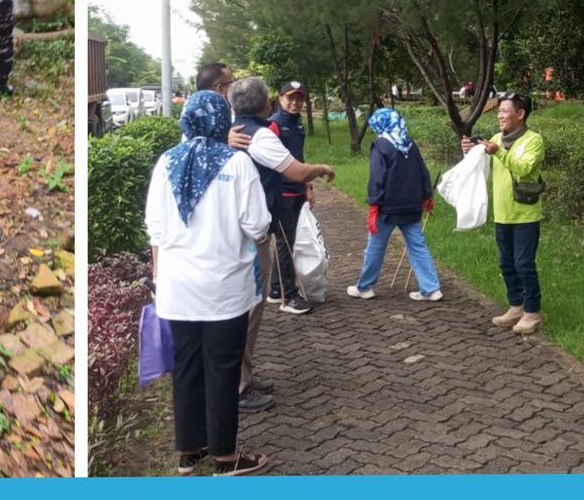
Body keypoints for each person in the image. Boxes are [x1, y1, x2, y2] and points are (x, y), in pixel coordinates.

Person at [145, 91, 270, 476]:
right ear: (222, 121)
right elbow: (258, 225)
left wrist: (157, 276)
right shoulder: (238, 163)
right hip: (224, 289)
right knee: (223, 368)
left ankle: (188, 452)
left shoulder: (166, 162)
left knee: (186, 367)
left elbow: (156, 230)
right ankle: (225, 458)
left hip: (177, 288)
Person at [229, 77, 335, 409]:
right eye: (288, 98)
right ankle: (239, 384)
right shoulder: (261, 133)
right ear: (269, 102)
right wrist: (320, 170)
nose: (294, 103)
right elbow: (296, 170)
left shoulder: (237, 130)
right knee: (248, 308)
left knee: (252, 304)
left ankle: (244, 375)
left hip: (249, 222)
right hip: (254, 225)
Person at [461, 92, 545, 334]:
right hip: (502, 214)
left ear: (520, 114)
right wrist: (469, 150)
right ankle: (516, 306)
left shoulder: (533, 140)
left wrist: (498, 151)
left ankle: (532, 311)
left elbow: (525, 168)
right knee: (506, 263)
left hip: (526, 215)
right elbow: (480, 164)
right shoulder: (497, 138)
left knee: (524, 264)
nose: (500, 115)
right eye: (499, 111)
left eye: (505, 110)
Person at [346, 107, 441, 302]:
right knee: (418, 246)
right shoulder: (410, 144)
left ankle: (365, 287)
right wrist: (427, 196)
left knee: (375, 246)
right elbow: (423, 171)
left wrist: (374, 204)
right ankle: (431, 288)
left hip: (387, 207)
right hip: (412, 205)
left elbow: (377, 177)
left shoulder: (381, 145)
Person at [266, 80, 315, 313]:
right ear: (280, 98)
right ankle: (290, 296)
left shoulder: (298, 126)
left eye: (299, 98)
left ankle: (276, 290)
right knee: (285, 243)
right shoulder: (274, 125)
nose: (295, 102)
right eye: (290, 97)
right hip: (282, 193)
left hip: (297, 191)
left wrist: (307, 186)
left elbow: (299, 158)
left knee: (288, 242)